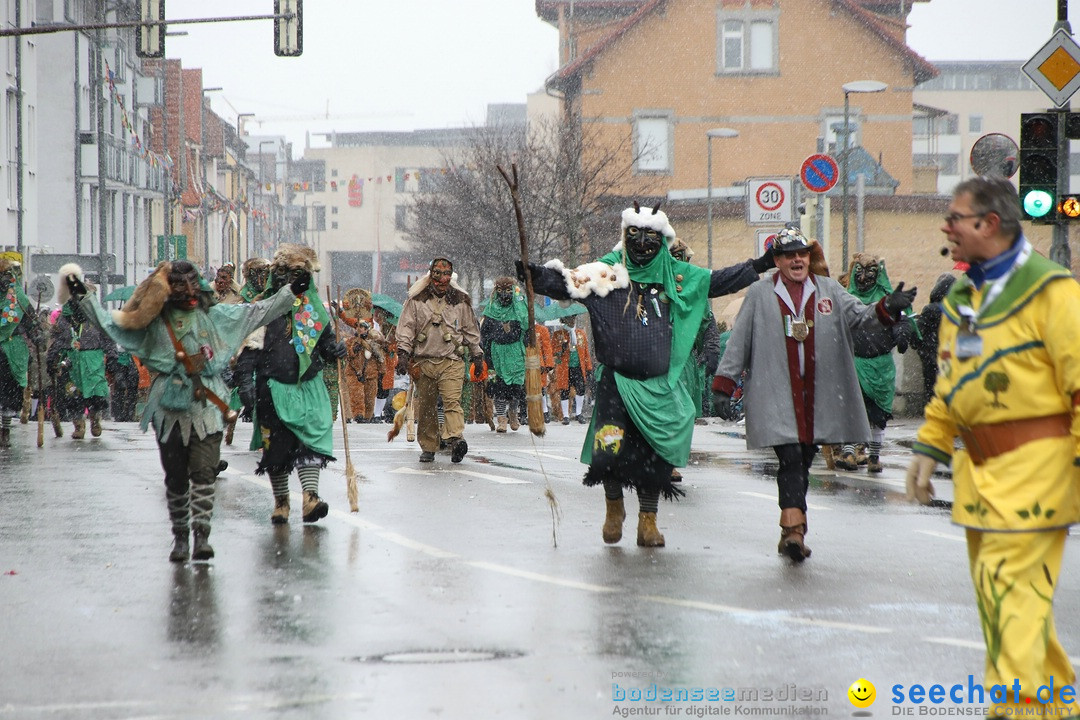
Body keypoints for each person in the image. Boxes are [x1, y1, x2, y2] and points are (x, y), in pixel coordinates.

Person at [905, 175, 1080, 715]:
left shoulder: (1053, 292)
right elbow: (951, 382)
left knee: (1010, 596)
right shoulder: (964, 293)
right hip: (979, 474)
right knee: (1003, 603)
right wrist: (930, 445)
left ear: (990, 224)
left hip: (1038, 470)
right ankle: (1056, 707)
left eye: (955, 218)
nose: (945, 226)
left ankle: (1013, 709)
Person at [519, 203, 771, 547]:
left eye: (649, 237)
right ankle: (613, 508)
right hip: (617, 382)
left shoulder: (678, 275)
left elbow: (719, 280)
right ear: (625, 235)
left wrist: (761, 265)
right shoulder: (605, 273)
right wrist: (531, 273)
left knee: (655, 455)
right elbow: (566, 283)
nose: (641, 244)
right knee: (609, 449)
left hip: (659, 384)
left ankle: (648, 521)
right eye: (634, 236)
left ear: (661, 239)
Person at [67, 258, 305, 562]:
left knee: (204, 473)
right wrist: (83, 296)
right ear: (168, 290)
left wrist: (289, 293)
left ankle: (201, 535)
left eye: (193, 283)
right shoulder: (153, 322)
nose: (189, 290)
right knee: (176, 478)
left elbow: (256, 312)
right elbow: (111, 323)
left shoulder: (216, 316)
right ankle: (180, 537)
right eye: (180, 284)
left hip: (207, 408)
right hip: (168, 410)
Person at [713, 227, 915, 561]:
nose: (797, 259)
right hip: (778, 396)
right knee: (791, 457)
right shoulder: (760, 294)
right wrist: (724, 384)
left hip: (819, 397)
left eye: (802, 253)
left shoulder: (829, 290)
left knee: (803, 462)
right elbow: (739, 343)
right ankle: (794, 530)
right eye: (789, 254)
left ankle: (792, 526)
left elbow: (862, 318)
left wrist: (887, 306)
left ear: (810, 258)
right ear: (777, 260)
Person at [252, 244, 347, 525]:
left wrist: (335, 349)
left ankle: (310, 499)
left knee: (310, 440)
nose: (293, 279)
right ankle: (281, 503)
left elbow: (325, 344)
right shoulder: (264, 307)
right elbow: (249, 348)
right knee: (278, 448)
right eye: (286, 272)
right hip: (274, 388)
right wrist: (246, 383)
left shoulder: (315, 309)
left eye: (299, 273)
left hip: (309, 387)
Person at [832, 253, 918, 474]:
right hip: (855, 363)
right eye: (859, 271)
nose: (864, 277)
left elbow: (903, 319)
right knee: (853, 408)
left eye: (870, 271)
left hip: (881, 365)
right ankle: (849, 452)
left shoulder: (887, 298)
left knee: (879, 413)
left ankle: (874, 455)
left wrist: (902, 333)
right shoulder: (847, 298)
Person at [395, 258, 484, 464]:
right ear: (430, 275)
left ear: (451, 276)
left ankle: (455, 438)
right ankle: (428, 446)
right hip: (423, 362)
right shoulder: (415, 300)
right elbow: (406, 328)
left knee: (452, 401)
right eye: (437, 274)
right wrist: (403, 355)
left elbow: (471, 330)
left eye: (446, 274)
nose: (442, 279)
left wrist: (477, 356)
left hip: (451, 361)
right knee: (426, 406)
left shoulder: (461, 301)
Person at [49, 264, 114, 440]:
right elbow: (59, 338)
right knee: (73, 395)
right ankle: (78, 425)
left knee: (97, 396)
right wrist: (52, 356)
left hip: (93, 361)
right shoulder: (66, 317)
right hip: (73, 362)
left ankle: (95, 420)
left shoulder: (97, 316)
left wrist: (113, 356)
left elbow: (108, 337)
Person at [481, 277, 527, 433]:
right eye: (501, 291)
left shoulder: (519, 308)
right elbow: (485, 333)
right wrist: (485, 353)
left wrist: (518, 298)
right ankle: (501, 418)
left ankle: (513, 414)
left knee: (515, 388)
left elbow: (526, 325)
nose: (504, 295)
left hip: (515, 353)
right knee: (499, 387)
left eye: (508, 291)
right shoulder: (491, 309)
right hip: (498, 353)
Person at [0, 257, 37, 446]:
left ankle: (4, 430)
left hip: (12, 350)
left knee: (8, 391)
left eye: (7, 275)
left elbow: (30, 321)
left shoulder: (20, 300)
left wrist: (36, 333)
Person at [911, 272, 956, 412]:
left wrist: (921, 349)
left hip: (932, 358)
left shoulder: (930, 309)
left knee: (933, 392)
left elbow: (918, 333)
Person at [551, 314, 592, 425]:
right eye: (569, 318)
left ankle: (579, 413)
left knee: (580, 389)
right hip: (564, 368)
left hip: (578, 367)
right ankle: (565, 416)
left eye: (573, 318)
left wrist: (588, 368)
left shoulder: (581, 333)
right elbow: (554, 353)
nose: (572, 320)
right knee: (564, 390)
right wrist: (562, 348)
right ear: (564, 320)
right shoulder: (558, 335)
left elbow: (586, 353)